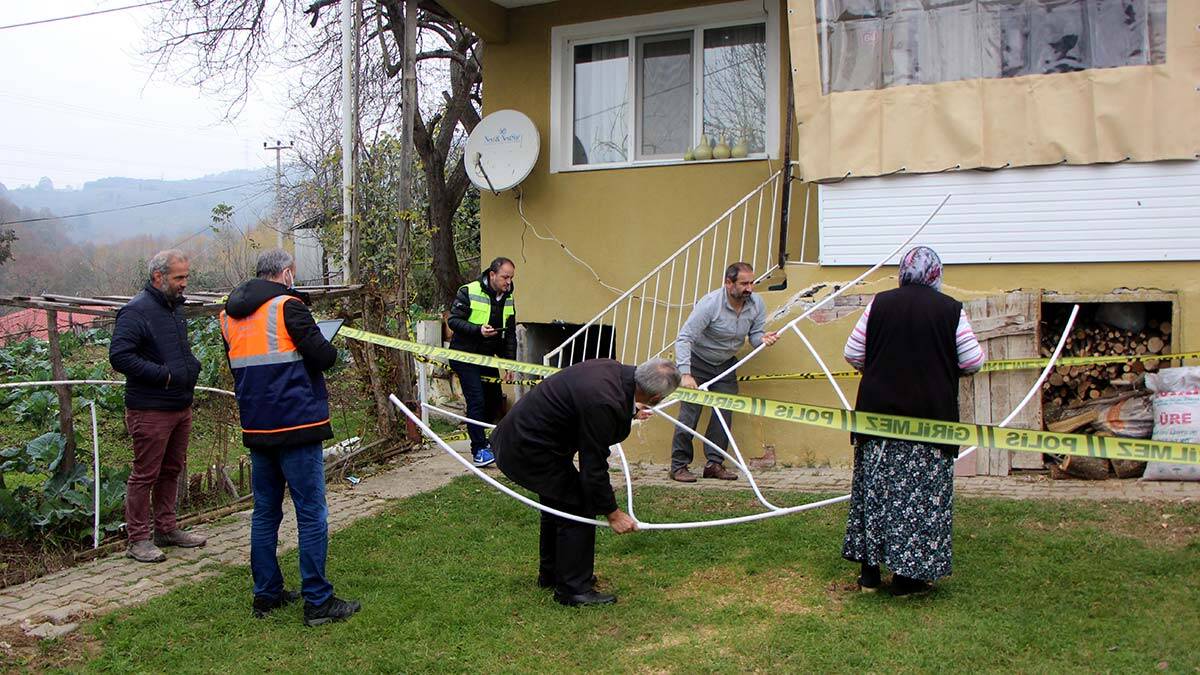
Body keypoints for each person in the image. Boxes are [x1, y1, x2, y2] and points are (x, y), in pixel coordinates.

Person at [219, 249, 360, 626]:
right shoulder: (288, 307)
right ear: (285, 274)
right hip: (297, 425)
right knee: (311, 512)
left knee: (265, 512)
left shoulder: (228, 316)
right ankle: (318, 601)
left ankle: (266, 594)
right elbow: (324, 357)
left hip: (258, 427)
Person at [841, 246, 985, 596]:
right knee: (918, 500)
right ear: (936, 273)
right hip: (928, 422)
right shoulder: (950, 310)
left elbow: (852, 353)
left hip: (878, 419)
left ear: (903, 271)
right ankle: (907, 580)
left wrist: (877, 369)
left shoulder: (879, 303)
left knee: (874, 493)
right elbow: (973, 361)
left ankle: (870, 576)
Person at [491, 358, 681, 607]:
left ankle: (552, 575)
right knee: (578, 505)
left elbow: (587, 405)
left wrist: (630, 411)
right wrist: (613, 513)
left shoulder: (611, 371)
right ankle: (573, 589)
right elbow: (593, 468)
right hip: (526, 450)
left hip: (519, 438)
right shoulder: (604, 402)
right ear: (656, 397)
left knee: (558, 503)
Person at [109, 249, 206, 563]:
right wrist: (163, 376)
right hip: (150, 408)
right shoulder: (136, 311)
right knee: (145, 474)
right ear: (158, 277)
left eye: (186, 277)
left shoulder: (173, 309)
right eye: (179, 277)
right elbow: (120, 356)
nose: (184, 283)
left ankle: (166, 528)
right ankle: (137, 539)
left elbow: (178, 351)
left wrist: (191, 367)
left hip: (180, 404)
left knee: (172, 469)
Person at [669, 262, 778, 483]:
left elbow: (755, 335)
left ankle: (714, 464)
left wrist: (763, 340)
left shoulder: (756, 304)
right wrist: (685, 373)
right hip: (698, 363)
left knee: (723, 413)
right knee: (689, 415)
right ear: (728, 283)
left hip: (726, 364)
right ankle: (678, 466)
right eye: (744, 283)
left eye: (752, 282)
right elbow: (684, 338)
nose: (749, 288)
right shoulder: (710, 304)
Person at [447, 256, 517, 468]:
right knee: (476, 400)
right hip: (465, 355)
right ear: (492, 274)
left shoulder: (509, 297)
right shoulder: (468, 291)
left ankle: (491, 443)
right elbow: (453, 321)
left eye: (511, 278)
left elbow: (510, 334)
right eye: (505, 277)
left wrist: (510, 363)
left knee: (494, 400)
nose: (508, 282)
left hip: (487, 356)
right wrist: (478, 331)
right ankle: (478, 450)